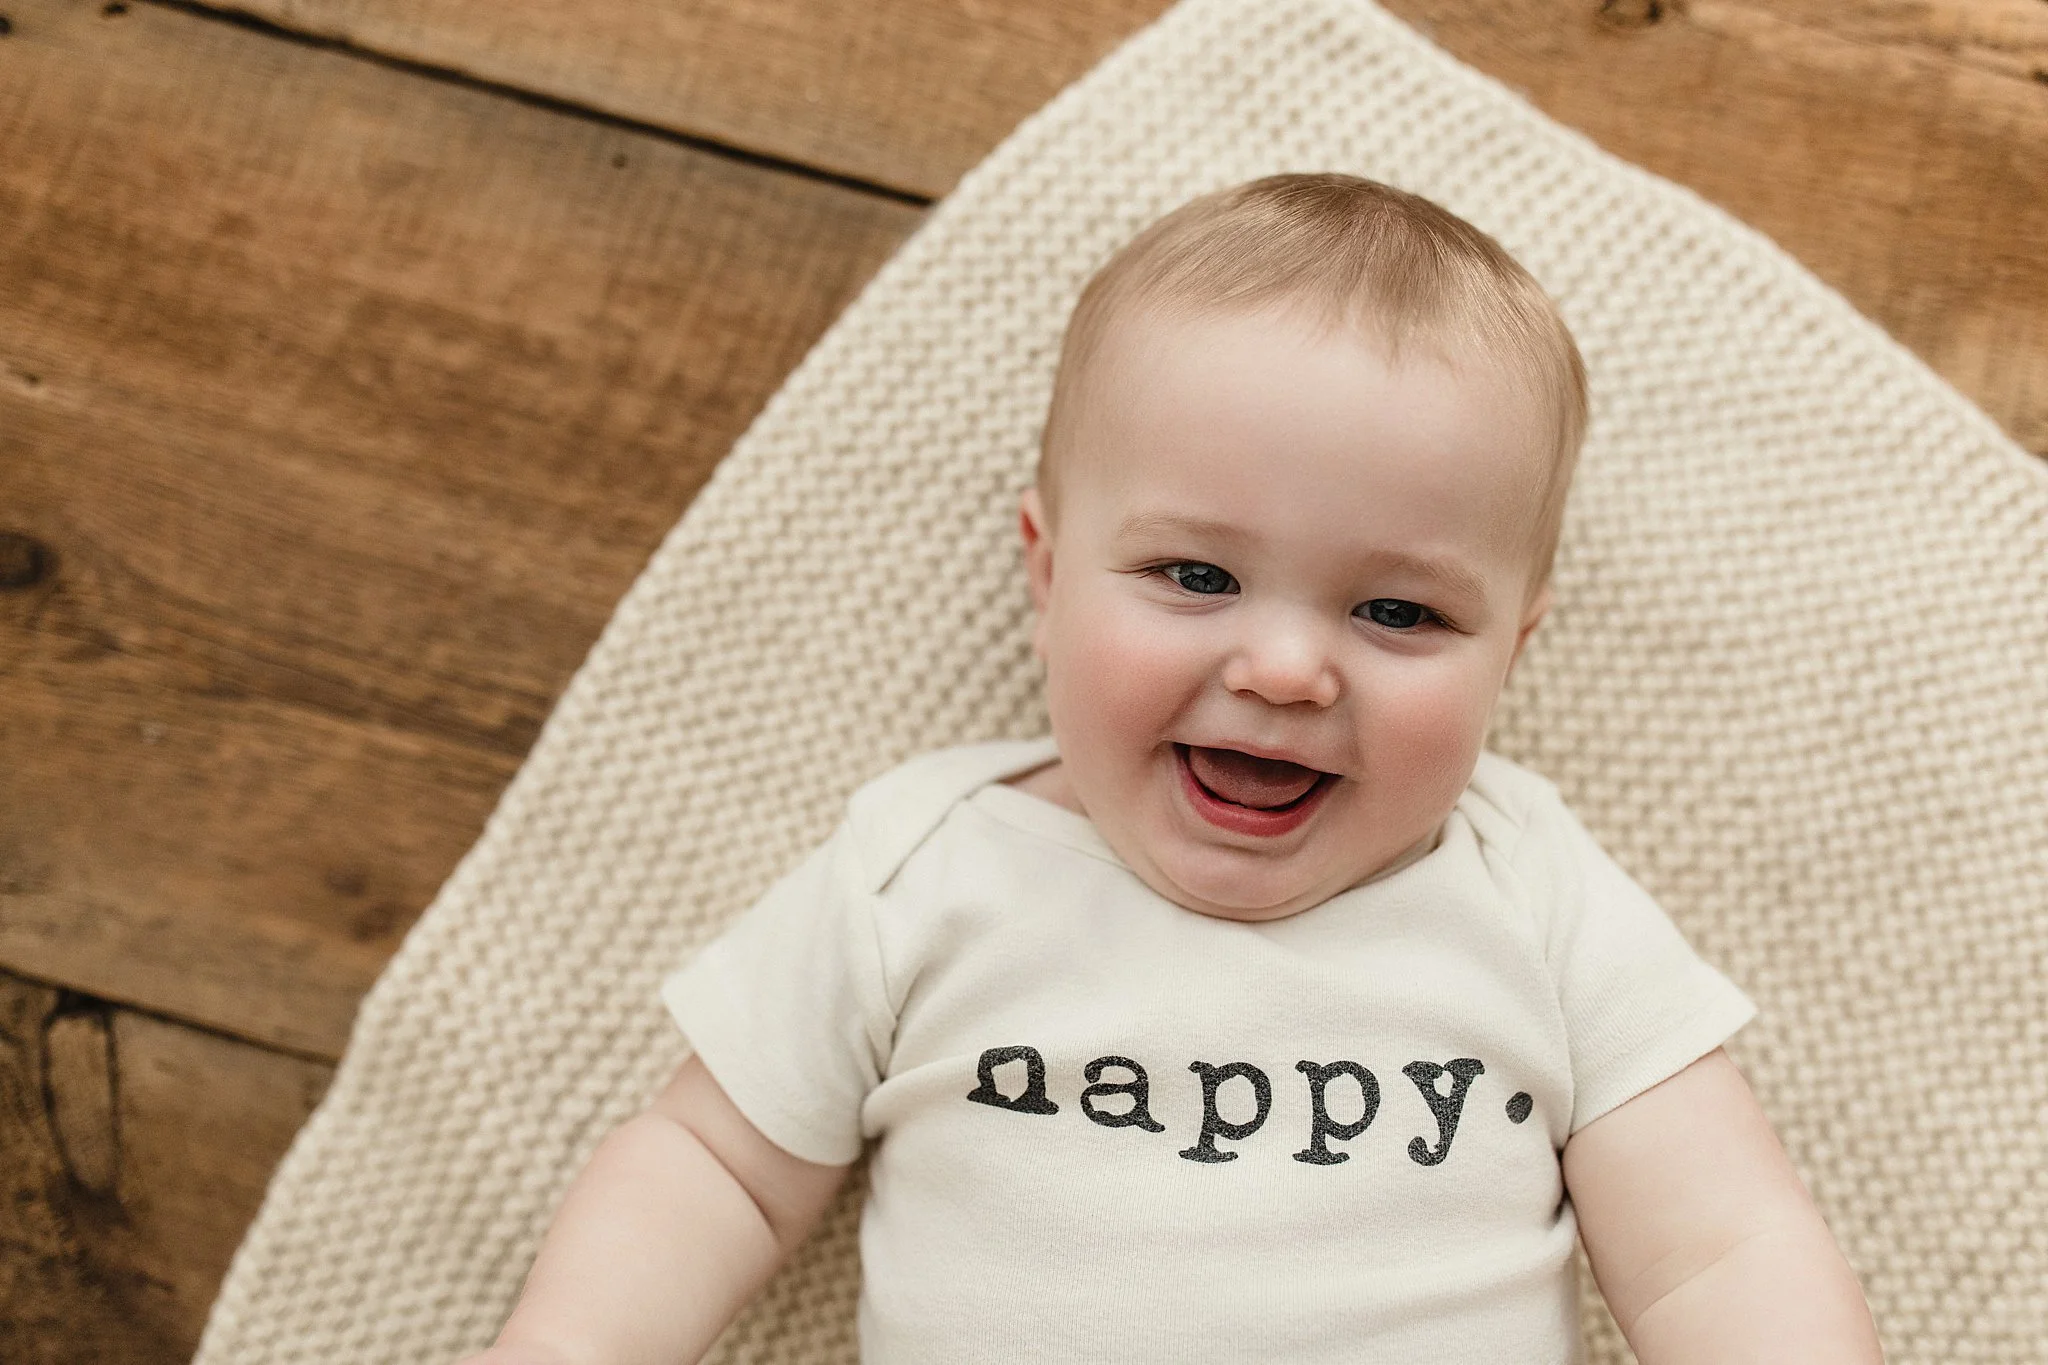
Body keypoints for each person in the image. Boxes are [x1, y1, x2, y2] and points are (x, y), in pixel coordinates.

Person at [463, 174, 1884, 1365]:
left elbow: (1719, 1250)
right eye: (1195, 574)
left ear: (1514, 646)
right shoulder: (926, 868)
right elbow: (711, 1169)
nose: (1284, 671)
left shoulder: (1534, 896)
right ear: (1045, 573)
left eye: (1399, 613)